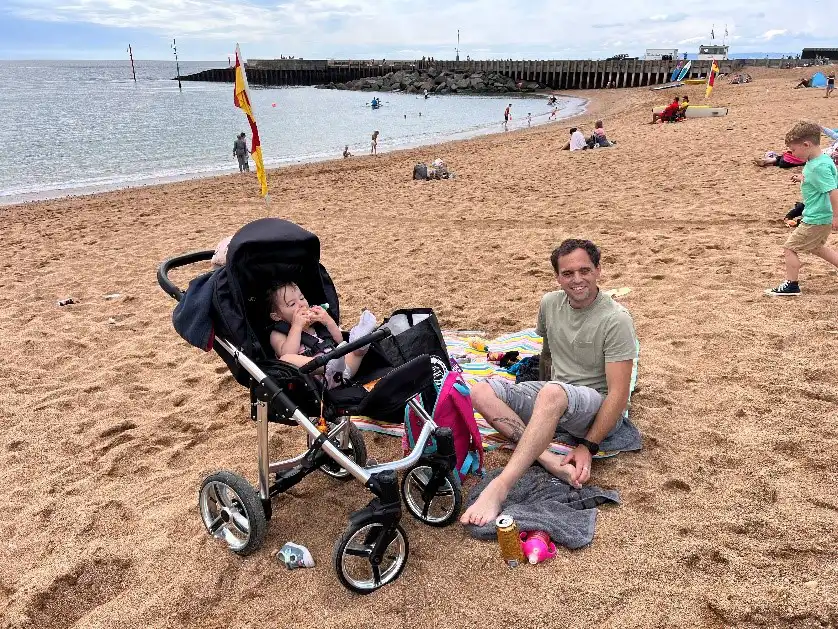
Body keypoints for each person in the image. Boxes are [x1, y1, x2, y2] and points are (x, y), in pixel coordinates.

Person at [460, 239, 637, 526]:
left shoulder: (616, 320)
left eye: (585, 270)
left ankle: (500, 487)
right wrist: (537, 395)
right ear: (557, 277)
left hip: (594, 404)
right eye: (568, 274)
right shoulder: (550, 304)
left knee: (552, 392)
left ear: (598, 271)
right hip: (555, 396)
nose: (577, 279)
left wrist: (587, 447)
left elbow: (618, 395)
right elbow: (548, 354)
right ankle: (545, 457)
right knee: (480, 390)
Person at [766, 122, 838, 296]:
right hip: (822, 216)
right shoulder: (821, 160)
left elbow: (832, 190)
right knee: (817, 247)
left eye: (793, 149)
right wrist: (803, 178)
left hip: (816, 217)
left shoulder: (817, 166)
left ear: (806, 145)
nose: (792, 154)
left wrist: (837, 216)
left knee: (789, 247)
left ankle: (791, 284)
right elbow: (823, 181)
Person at [268, 282, 377, 387]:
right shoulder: (278, 334)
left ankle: (360, 341)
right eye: (292, 304)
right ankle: (329, 365)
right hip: (314, 380)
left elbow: (339, 341)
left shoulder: (316, 324)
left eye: (302, 298)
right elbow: (288, 355)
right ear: (277, 316)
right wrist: (296, 327)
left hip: (342, 372)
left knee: (354, 351)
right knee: (286, 359)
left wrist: (328, 321)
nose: (301, 304)